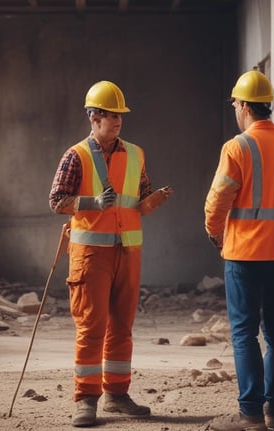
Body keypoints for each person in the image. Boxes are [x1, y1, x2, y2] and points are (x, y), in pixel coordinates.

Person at [49, 80, 172, 427]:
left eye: (120, 115)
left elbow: (139, 199)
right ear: (93, 117)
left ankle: (117, 395)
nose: (117, 121)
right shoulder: (76, 156)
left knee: (121, 325)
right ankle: (86, 399)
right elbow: (57, 200)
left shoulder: (135, 154)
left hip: (128, 251)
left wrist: (153, 201)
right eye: (110, 115)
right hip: (91, 253)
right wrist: (91, 203)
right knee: (92, 326)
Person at [204, 70, 274, 431]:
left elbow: (218, 199)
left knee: (244, 333)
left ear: (244, 106)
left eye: (235, 104)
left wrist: (215, 233)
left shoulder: (237, 147)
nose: (235, 109)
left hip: (244, 255)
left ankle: (251, 413)